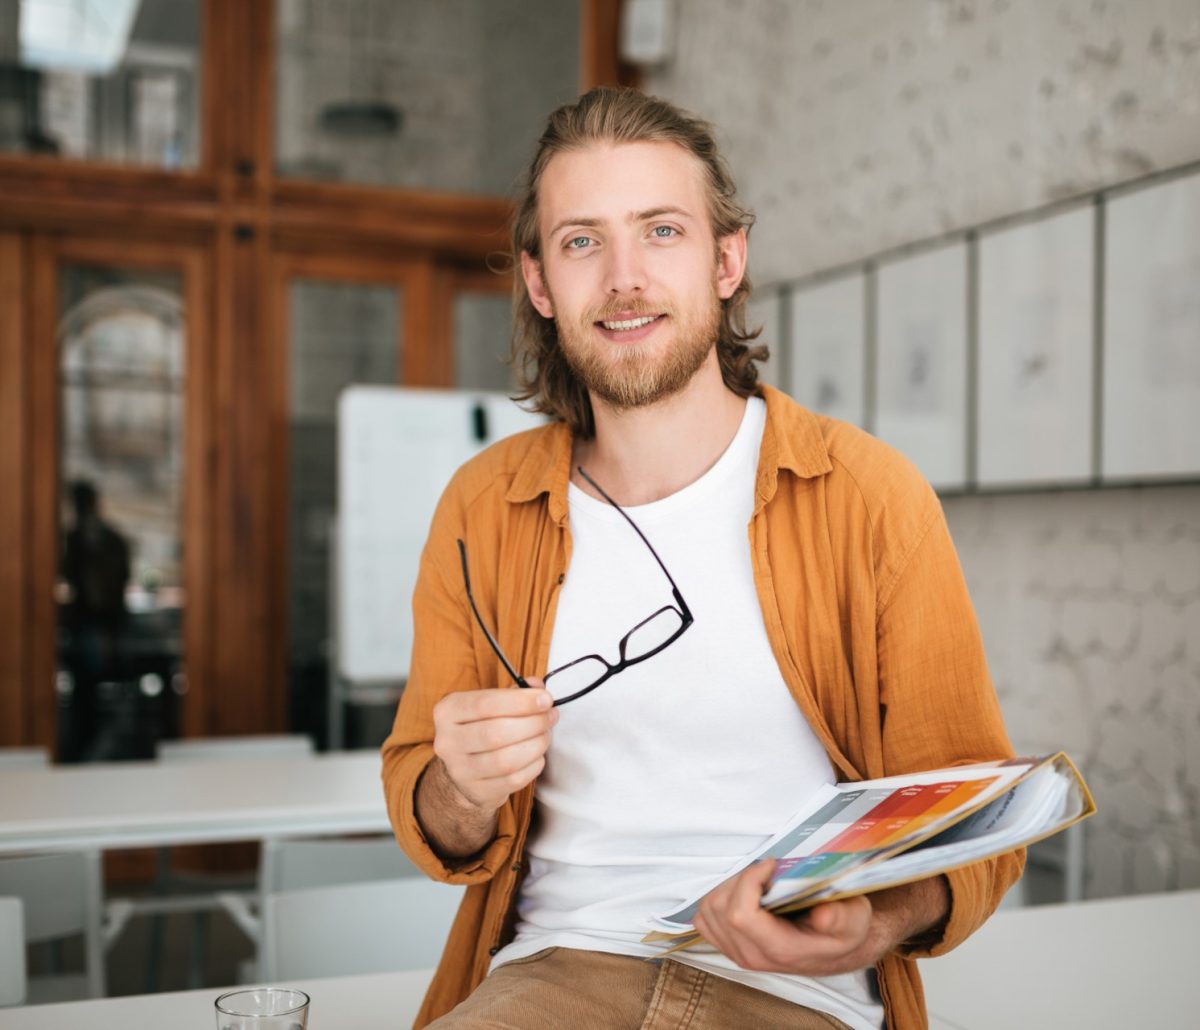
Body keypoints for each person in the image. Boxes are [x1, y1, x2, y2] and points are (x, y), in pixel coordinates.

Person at [381, 87, 1021, 1030]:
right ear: (540, 283)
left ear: (726, 260)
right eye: (582, 241)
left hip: (796, 993)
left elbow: (972, 823)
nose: (624, 278)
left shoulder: (872, 499)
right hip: (554, 975)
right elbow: (428, 811)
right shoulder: (484, 508)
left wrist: (872, 924)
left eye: (662, 231)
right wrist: (461, 787)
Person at [61, 478, 131, 761]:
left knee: (99, 689)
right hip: (90, 625)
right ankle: (87, 744)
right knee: (85, 691)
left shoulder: (100, 540)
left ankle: (100, 742)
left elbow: (118, 577)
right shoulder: (77, 539)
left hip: (105, 623)